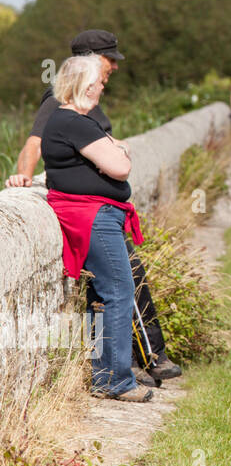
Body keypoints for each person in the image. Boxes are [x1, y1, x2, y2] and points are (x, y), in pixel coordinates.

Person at [5, 29, 181, 385]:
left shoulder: (86, 101)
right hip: (90, 212)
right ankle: (143, 360)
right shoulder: (59, 102)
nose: (114, 66)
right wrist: (23, 176)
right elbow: (34, 142)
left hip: (101, 209)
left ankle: (135, 360)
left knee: (115, 289)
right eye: (109, 58)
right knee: (121, 285)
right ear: (89, 59)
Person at [42, 55, 153, 402]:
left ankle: (105, 375)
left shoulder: (70, 121)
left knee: (102, 297)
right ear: (86, 85)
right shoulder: (75, 122)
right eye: (99, 82)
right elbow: (119, 166)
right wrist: (118, 152)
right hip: (94, 218)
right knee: (118, 290)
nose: (103, 87)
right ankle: (114, 380)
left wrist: (116, 151)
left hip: (92, 215)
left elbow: (115, 158)